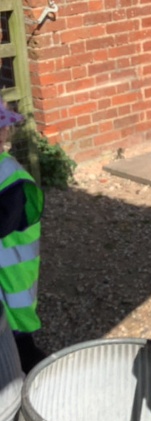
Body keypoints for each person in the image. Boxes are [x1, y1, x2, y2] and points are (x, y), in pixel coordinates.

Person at [0, 101, 46, 374]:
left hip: (12, 282)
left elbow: (4, 222)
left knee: (21, 348)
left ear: (3, 133)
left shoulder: (10, 176)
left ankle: (50, 385)